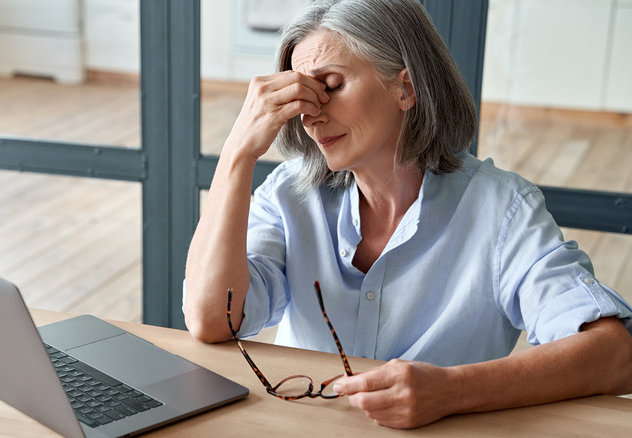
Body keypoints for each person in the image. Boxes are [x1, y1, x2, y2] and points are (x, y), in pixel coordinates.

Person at [183, 0, 632, 429]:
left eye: (331, 86)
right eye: (302, 95)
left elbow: (615, 353)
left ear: (406, 87)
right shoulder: (290, 194)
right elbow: (211, 320)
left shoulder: (501, 210)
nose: (311, 116)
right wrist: (237, 152)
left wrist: (452, 390)